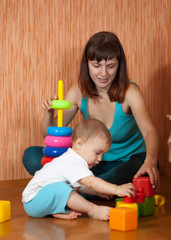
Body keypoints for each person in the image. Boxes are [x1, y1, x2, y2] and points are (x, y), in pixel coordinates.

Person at [23, 31, 160, 190]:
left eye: (111, 66)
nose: (103, 73)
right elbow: (48, 135)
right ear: (87, 64)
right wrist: (48, 112)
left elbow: (150, 131)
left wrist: (150, 162)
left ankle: (75, 187)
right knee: (32, 155)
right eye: (96, 66)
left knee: (117, 176)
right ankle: (89, 188)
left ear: (119, 65)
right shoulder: (77, 91)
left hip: (128, 162)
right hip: (90, 163)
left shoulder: (130, 92)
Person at [22, 119, 136, 221]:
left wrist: (97, 193)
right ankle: (93, 210)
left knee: (68, 188)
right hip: (33, 202)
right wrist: (117, 189)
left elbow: (80, 186)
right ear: (79, 144)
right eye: (97, 153)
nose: (100, 159)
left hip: (41, 201)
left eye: (102, 155)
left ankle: (56, 211)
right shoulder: (73, 161)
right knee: (62, 188)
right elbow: (91, 182)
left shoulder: (75, 160)